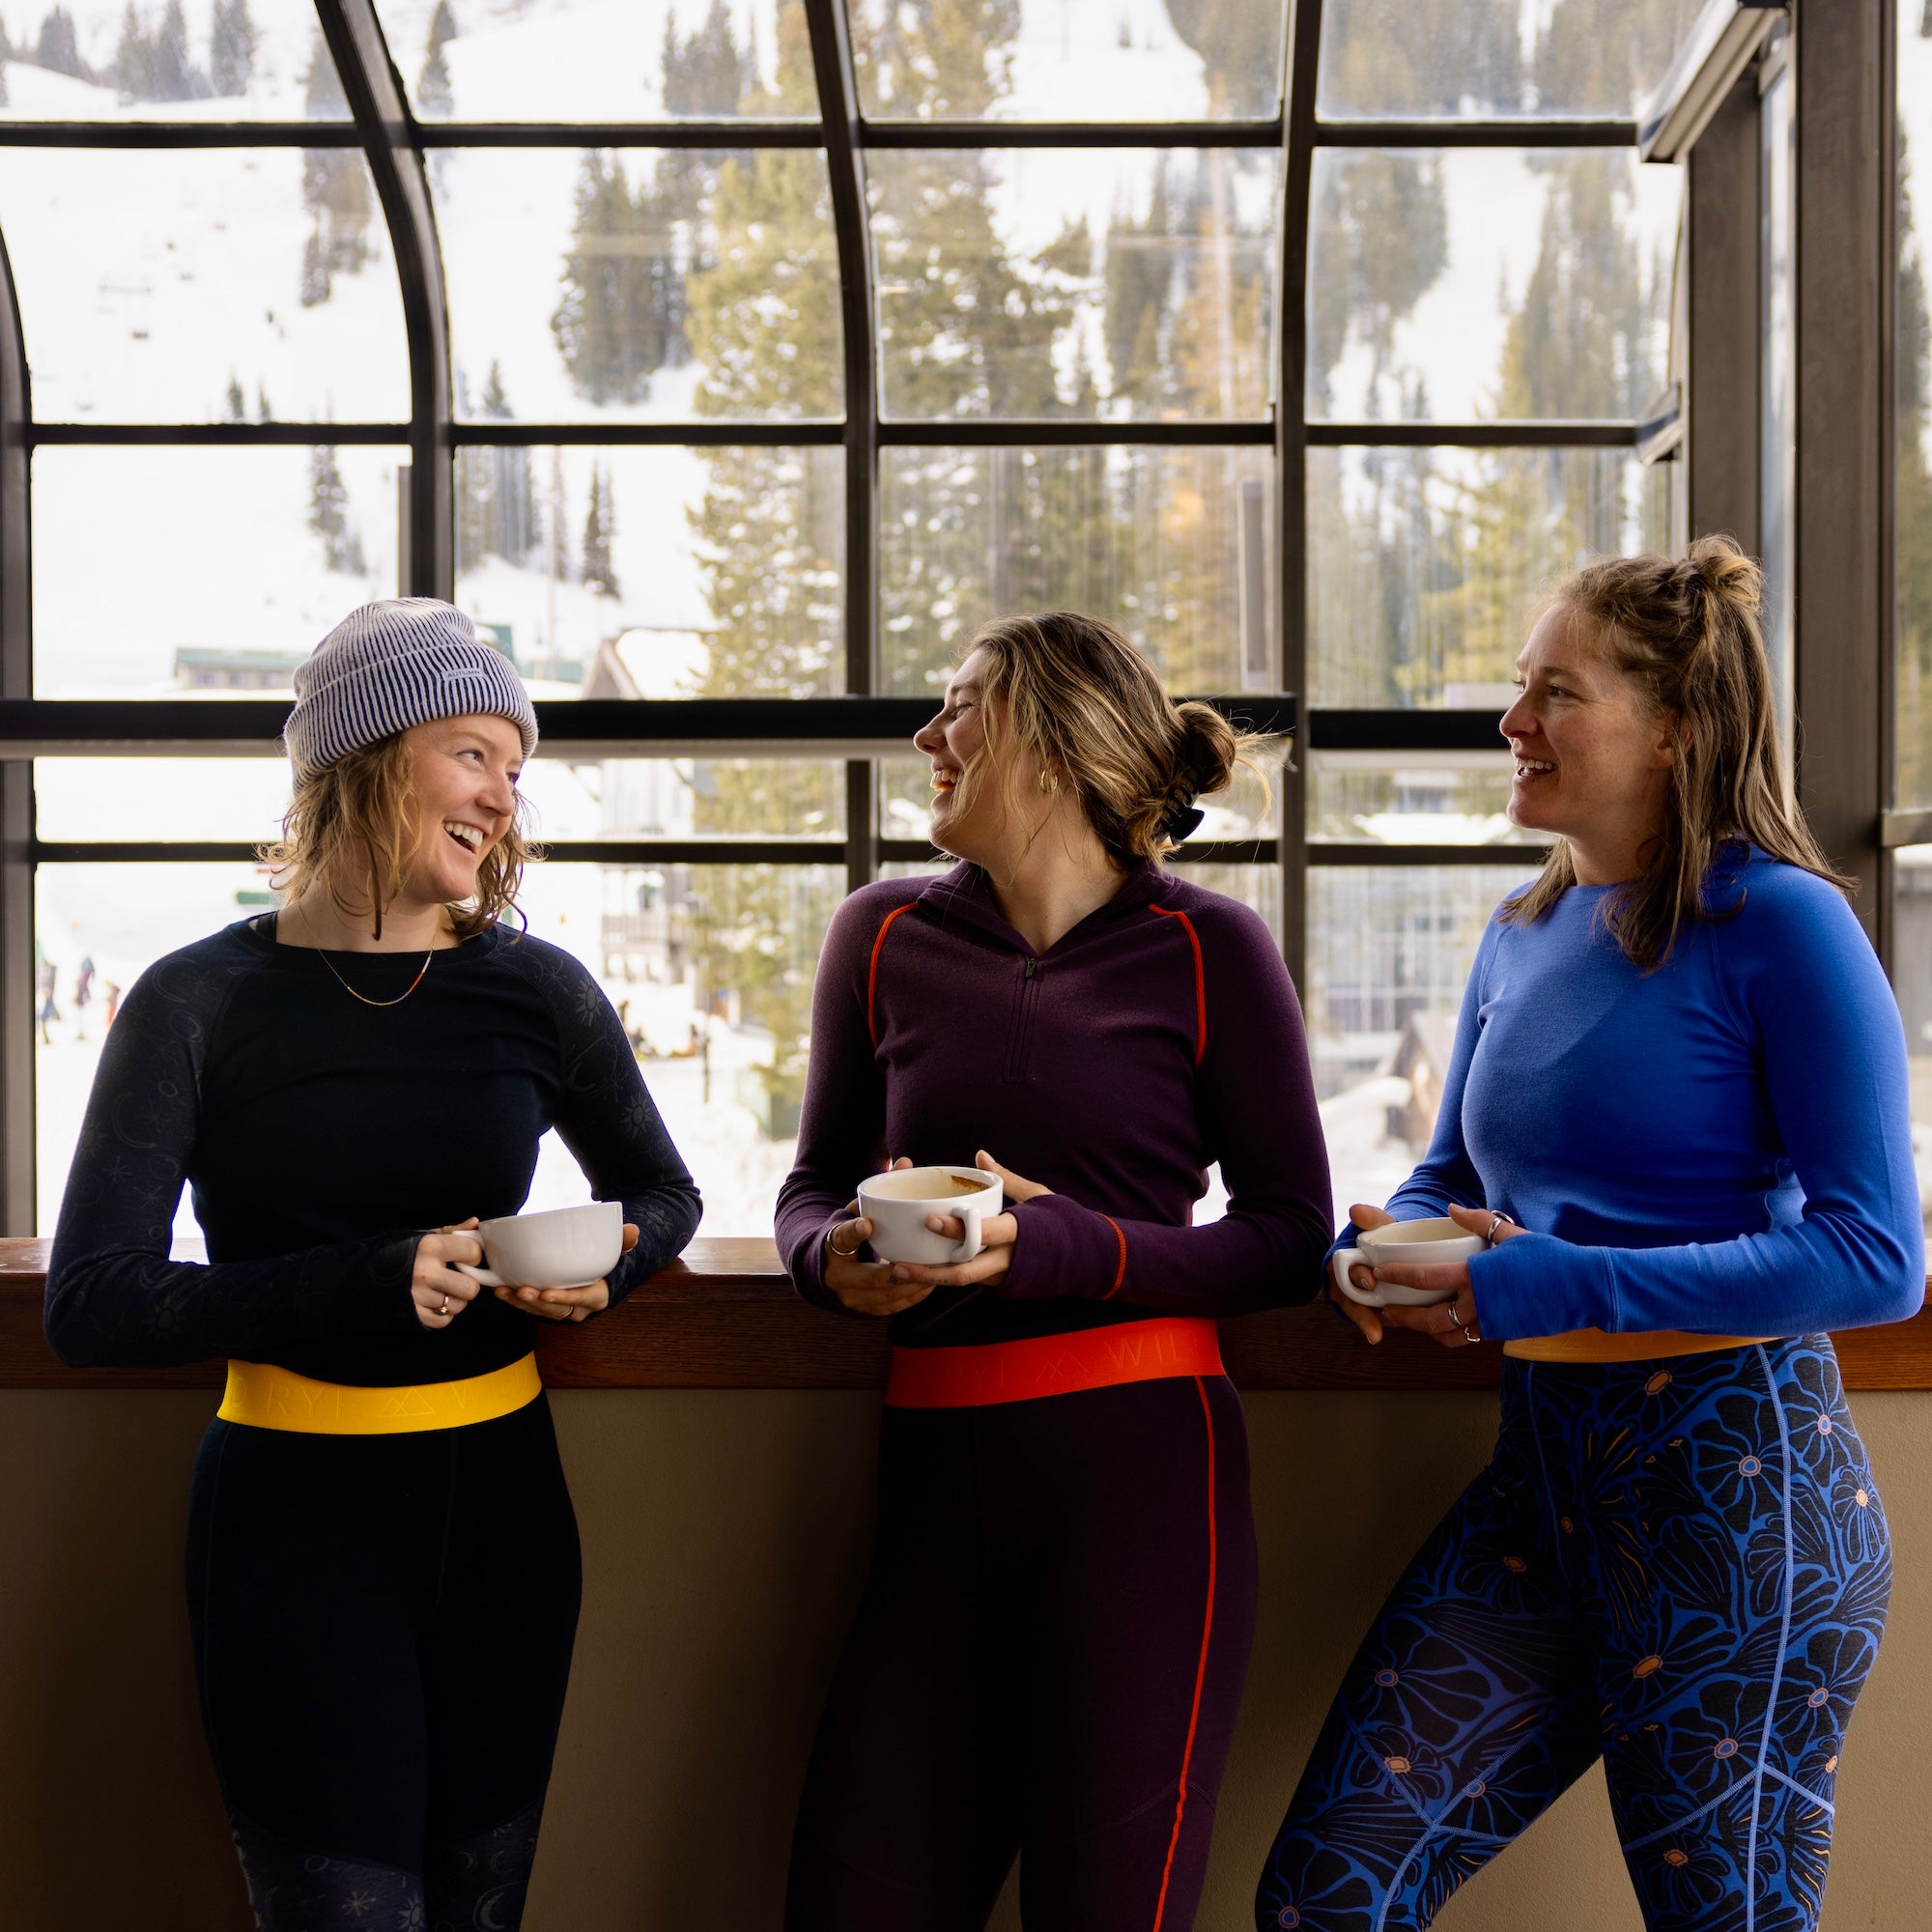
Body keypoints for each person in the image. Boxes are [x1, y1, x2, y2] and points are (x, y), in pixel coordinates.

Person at [1255, 538, 1923, 1932]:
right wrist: (1370, 1253)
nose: (1512, 724)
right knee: (1325, 1898)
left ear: (1677, 730)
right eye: (1519, 689)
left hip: (1742, 1517)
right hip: (1542, 1497)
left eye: (1556, 693)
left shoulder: (1788, 927)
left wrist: (1553, 1282)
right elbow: (1443, 1175)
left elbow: (1879, 1257)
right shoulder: (1522, 927)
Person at [44, 600, 702, 1932]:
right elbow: (93, 1302)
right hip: (290, 1529)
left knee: (481, 1915)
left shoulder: (541, 990)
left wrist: (612, 1268)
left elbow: (666, 1192)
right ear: (366, 754)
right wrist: (363, 1279)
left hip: (510, 1520)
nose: (503, 801)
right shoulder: (194, 1000)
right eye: (475, 755)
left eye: (516, 775)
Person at [776, 611, 1333, 1931]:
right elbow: (810, 1189)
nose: (928, 738)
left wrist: (1071, 1245)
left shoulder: (1212, 949)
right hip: (927, 1489)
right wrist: (826, 1265)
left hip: (1145, 1496)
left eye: (960, 708)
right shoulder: (881, 935)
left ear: (1045, 746)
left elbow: (1289, 1235)